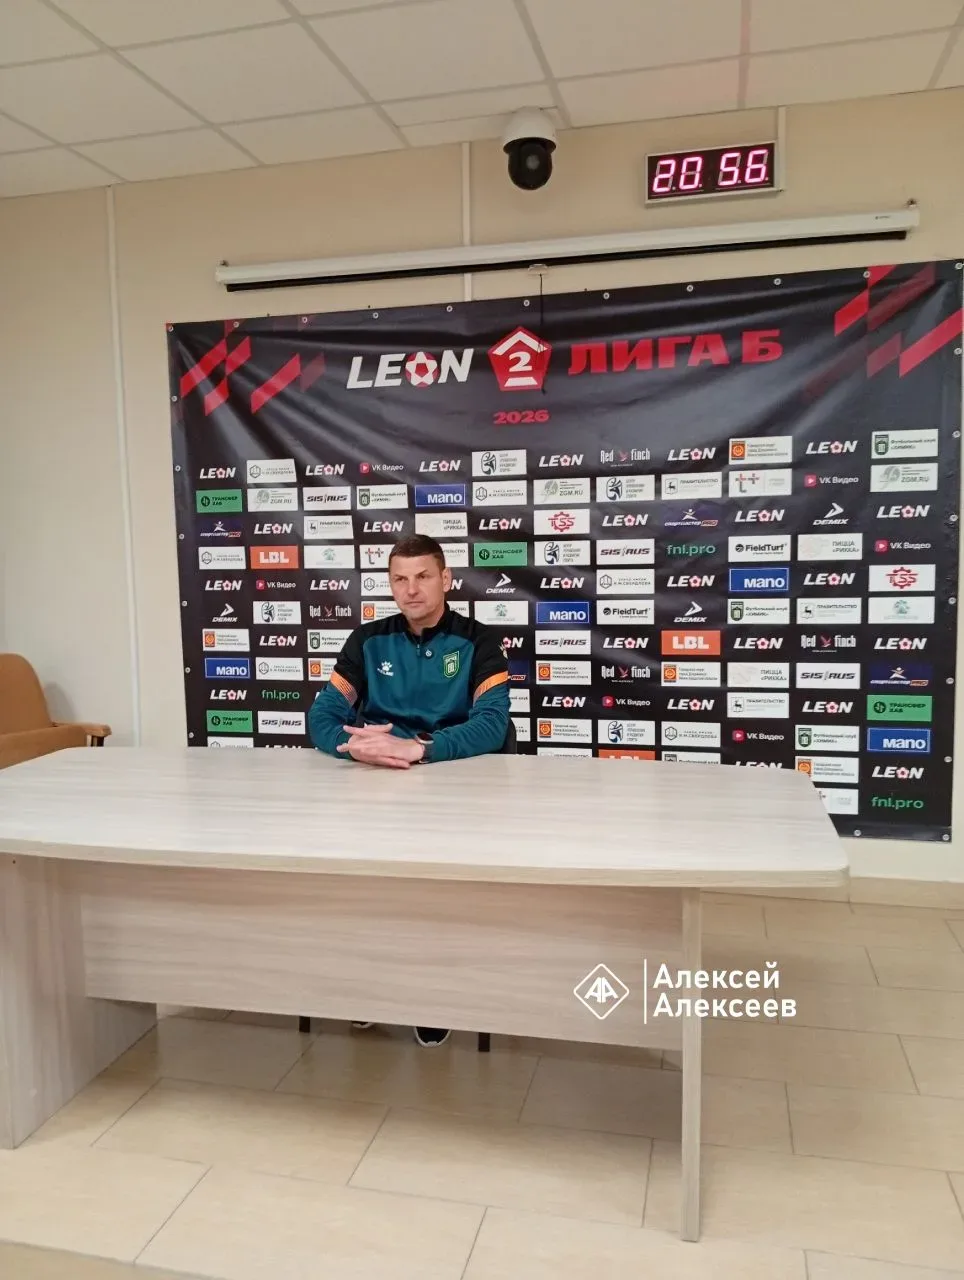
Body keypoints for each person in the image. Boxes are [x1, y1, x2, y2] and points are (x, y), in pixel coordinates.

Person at [308, 533, 511, 1045]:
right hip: (379, 786)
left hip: (452, 790)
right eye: (400, 579)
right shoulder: (367, 640)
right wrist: (352, 748)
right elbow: (323, 717)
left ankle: (431, 997)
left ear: (446, 579)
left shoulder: (480, 641)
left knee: (435, 898)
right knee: (368, 893)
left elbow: (492, 726)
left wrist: (419, 748)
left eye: (423, 577)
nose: (411, 589)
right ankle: (371, 987)